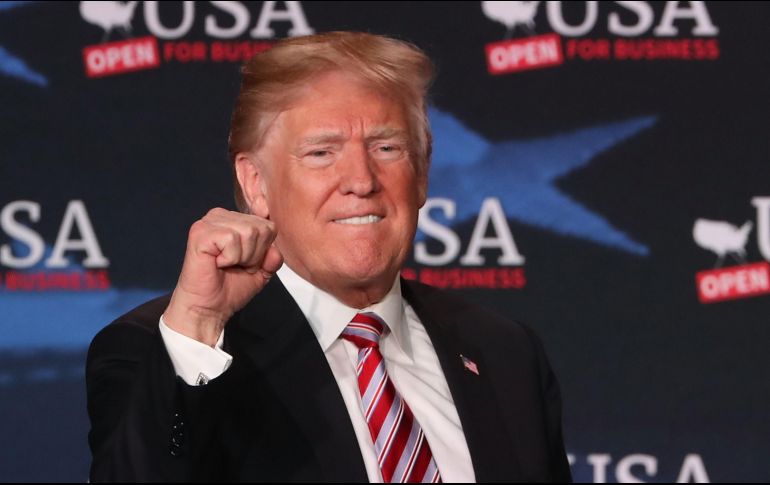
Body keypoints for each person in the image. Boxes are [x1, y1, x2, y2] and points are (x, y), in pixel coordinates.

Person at [86, 31, 571, 483]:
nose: (361, 180)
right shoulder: (162, 351)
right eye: (321, 153)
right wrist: (197, 323)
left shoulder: (505, 352)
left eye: (387, 147)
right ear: (256, 184)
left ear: (421, 174)